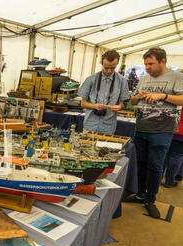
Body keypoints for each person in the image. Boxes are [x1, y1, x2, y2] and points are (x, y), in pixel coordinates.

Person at [129, 47, 183, 218]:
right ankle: (139, 194)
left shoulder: (177, 77)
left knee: (155, 165)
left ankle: (150, 199)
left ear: (163, 61)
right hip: (142, 128)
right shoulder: (144, 78)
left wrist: (163, 96)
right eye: (145, 64)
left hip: (162, 130)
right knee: (140, 163)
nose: (147, 68)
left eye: (151, 64)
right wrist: (138, 97)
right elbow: (133, 101)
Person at [77, 50, 130, 134]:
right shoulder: (91, 79)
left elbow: (121, 104)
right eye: (106, 67)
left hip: (108, 127)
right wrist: (94, 106)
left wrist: (118, 107)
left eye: (112, 68)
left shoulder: (122, 81)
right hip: (90, 126)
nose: (109, 71)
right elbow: (83, 103)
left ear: (117, 64)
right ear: (101, 63)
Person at [163, 111, 183, 188]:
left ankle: (158, 178)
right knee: (176, 156)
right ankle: (169, 181)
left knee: (164, 155)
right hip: (180, 132)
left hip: (168, 127)